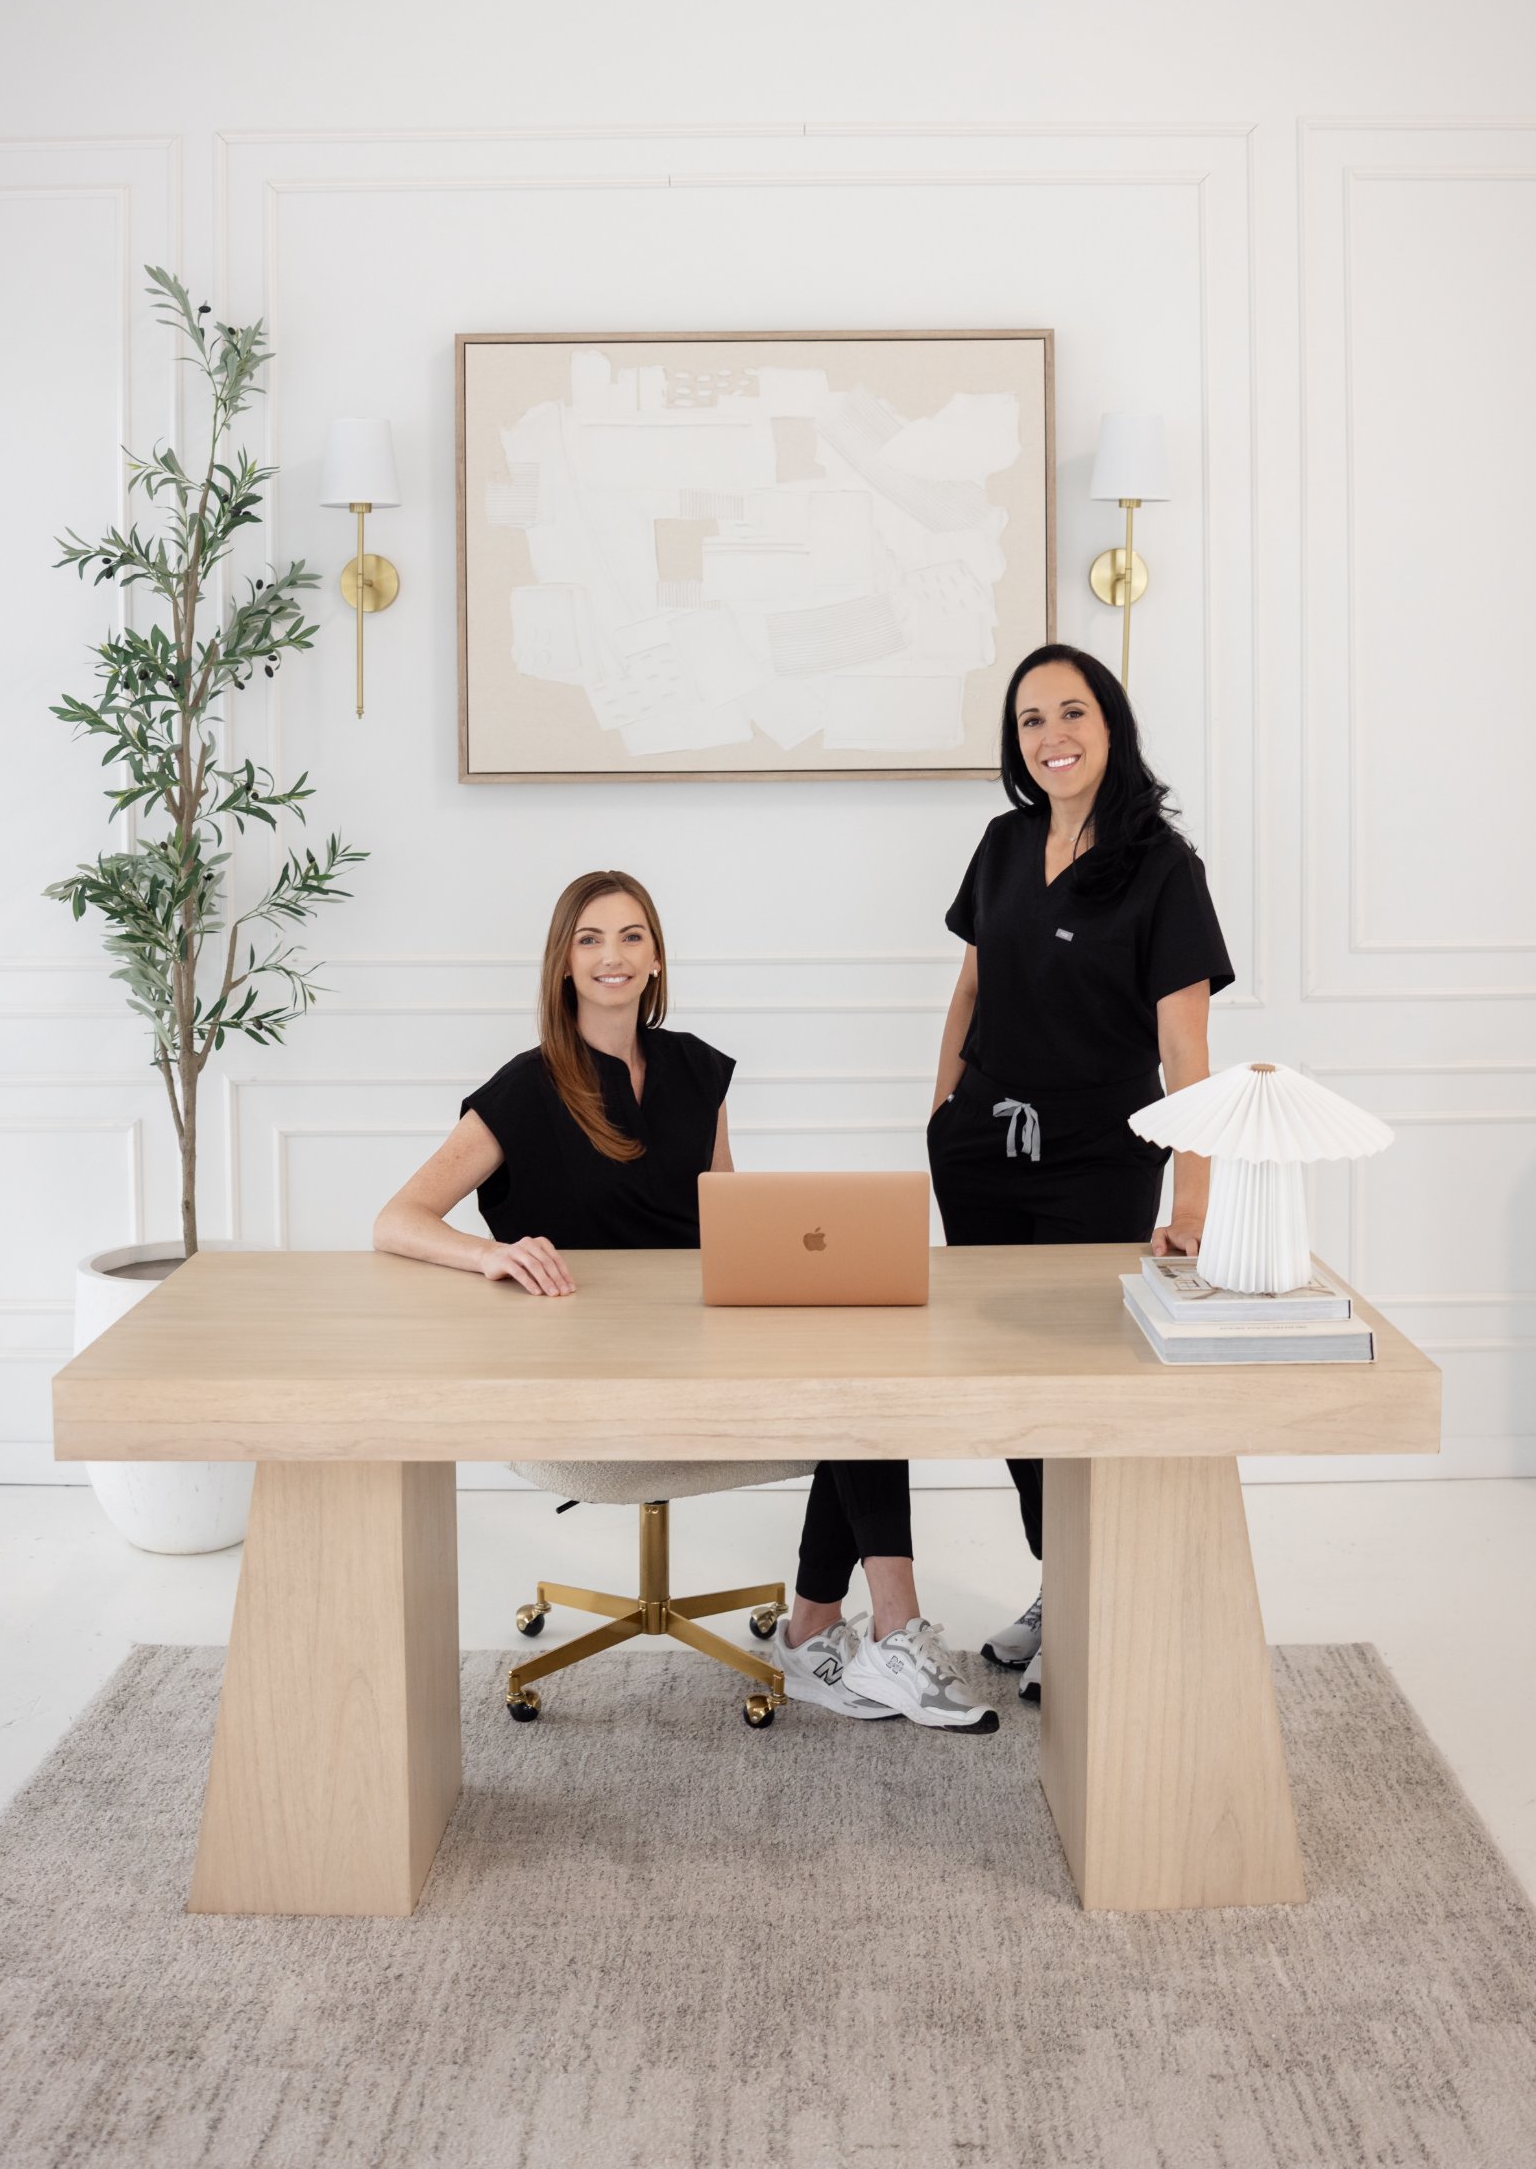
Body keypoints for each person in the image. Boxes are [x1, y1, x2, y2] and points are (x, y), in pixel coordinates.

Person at [373, 867, 993, 1734]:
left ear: (656, 957)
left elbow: (725, 1221)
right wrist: (490, 1254)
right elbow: (396, 1220)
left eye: (630, 936)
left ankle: (843, 1637)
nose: (611, 956)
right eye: (589, 939)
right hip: (583, 1383)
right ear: (562, 963)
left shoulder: (697, 1072)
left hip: (697, 1352)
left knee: (860, 1376)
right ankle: (855, 1636)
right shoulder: (526, 1086)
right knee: (851, 1402)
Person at [928, 644, 1232, 1703]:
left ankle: (1093, 1599)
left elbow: (1187, 1054)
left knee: (1082, 1391)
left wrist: (1189, 1203)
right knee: (1010, 1394)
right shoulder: (1005, 843)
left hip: (1098, 1164)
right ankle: (1066, 1586)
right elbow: (970, 988)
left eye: (1071, 712)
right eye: (1028, 721)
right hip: (980, 1152)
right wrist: (940, 1110)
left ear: (1110, 725)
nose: (1050, 736)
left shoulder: (1161, 865)